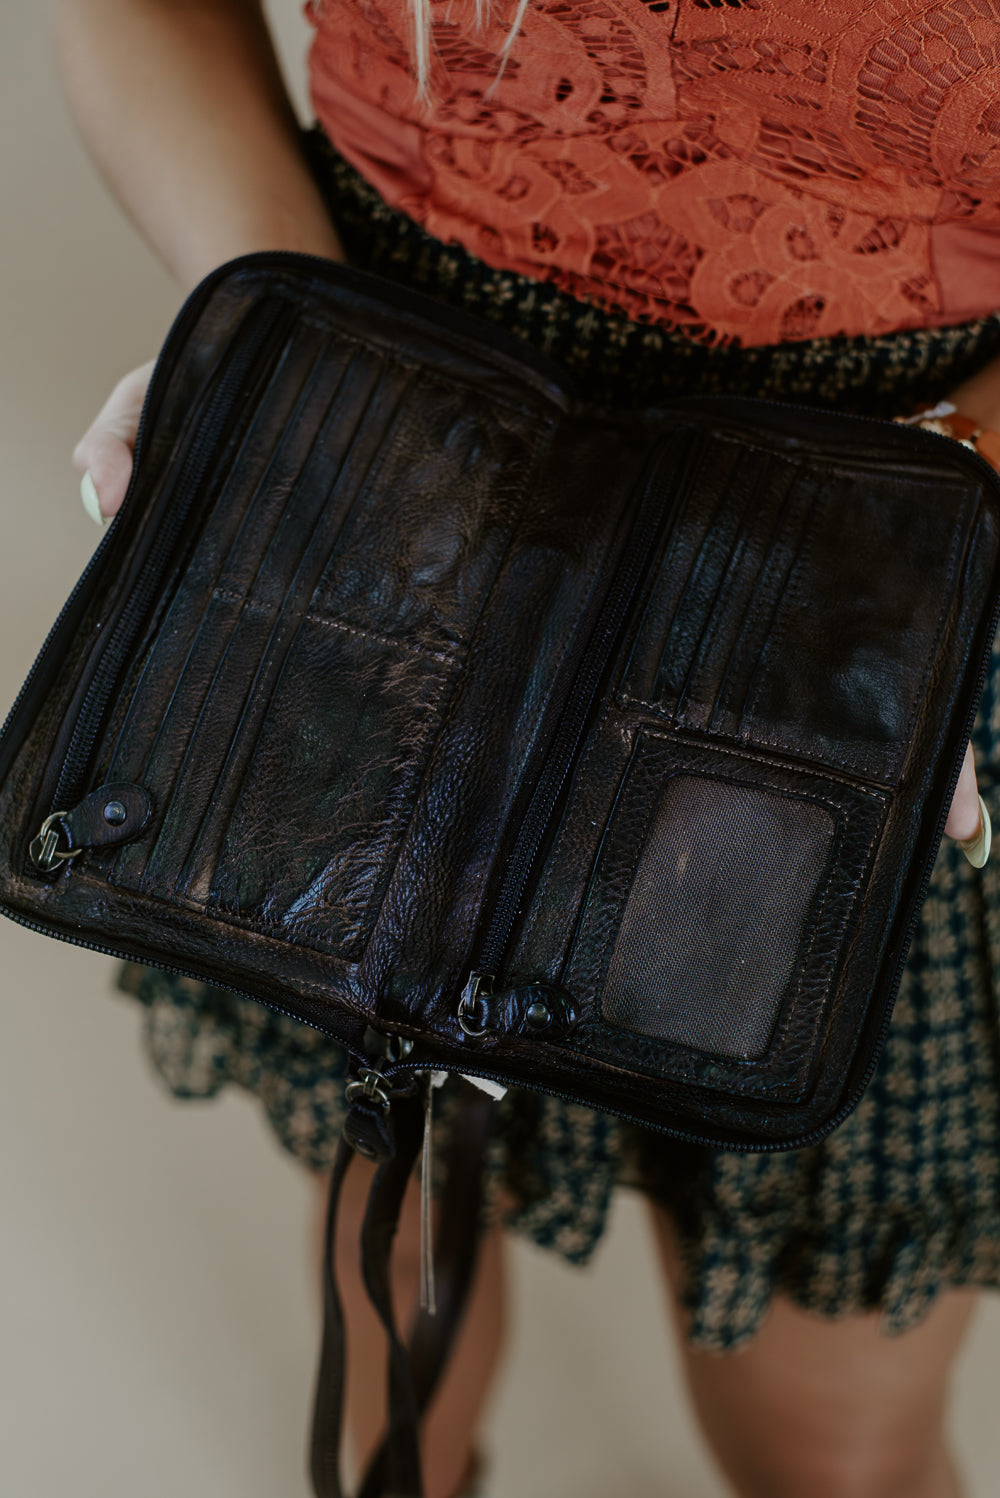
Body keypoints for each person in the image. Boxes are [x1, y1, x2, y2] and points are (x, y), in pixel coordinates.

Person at [54, 2, 1000, 1495]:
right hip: (401, 447)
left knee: (833, 1435)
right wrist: (289, 345)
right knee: (394, 1245)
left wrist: (940, 500)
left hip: (871, 533)